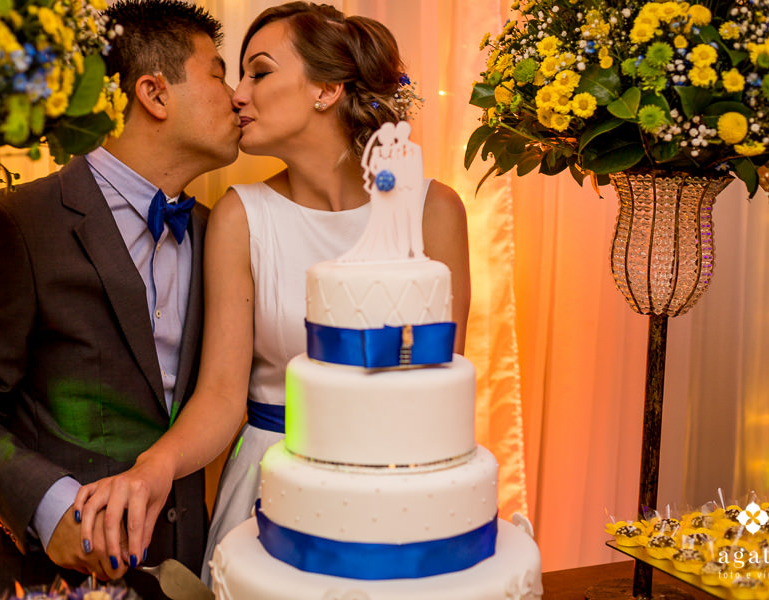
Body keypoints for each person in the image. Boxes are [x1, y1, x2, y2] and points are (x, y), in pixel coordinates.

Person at [72, 0, 471, 587]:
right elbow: (220, 396)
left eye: (259, 72)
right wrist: (154, 466)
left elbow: (440, 383)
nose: (237, 95)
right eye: (236, 76)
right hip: (270, 486)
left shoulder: (433, 210)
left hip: (399, 487)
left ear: (327, 89)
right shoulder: (240, 216)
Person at [0, 0, 240, 597]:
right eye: (218, 75)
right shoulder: (12, 223)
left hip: (184, 573)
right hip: (40, 579)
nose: (236, 98)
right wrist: (52, 506)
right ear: (154, 94)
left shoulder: (219, 233)